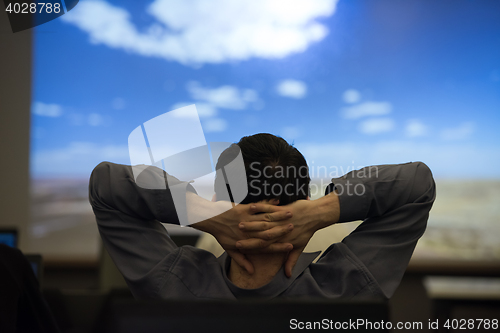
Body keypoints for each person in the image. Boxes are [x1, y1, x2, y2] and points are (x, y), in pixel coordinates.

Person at [89, 133, 435, 300]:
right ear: (303, 200)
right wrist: (321, 211)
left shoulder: (175, 284)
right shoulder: (347, 285)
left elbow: (106, 185)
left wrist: (203, 214)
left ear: (217, 199)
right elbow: (417, 184)